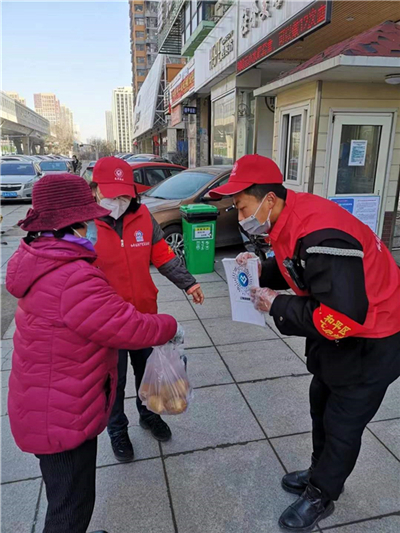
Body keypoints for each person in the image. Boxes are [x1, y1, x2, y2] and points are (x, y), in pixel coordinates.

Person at [210, 154, 400, 532]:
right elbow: (297, 270)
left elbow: (343, 317)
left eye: (241, 204)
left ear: (268, 199)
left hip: (373, 340)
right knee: (320, 405)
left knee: (342, 424)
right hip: (340, 339)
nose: (238, 213)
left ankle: (322, 494)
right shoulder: (287, 220)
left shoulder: (323, 235)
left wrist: (276, 303)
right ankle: (319, 471)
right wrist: (257, 270)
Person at [6, 174, 181, 533]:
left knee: (64, 494)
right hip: (61, 412)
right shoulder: (73, 276)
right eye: (84, 221)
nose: (89, 228)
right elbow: (129, 328)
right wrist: (169, 325)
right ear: (72, 225)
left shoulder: (38, 258)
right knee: (71, 504)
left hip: (46, 399)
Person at [91, 157, 204, 462]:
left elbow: (164, 255)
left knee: (147, 372)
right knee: (114, 381)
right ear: (97, 191)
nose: (119, 201)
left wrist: (188, 283)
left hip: (143, 315)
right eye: (112, 194)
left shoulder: (143, 217)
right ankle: (117, 429)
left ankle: (149, 415)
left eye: (124, 194)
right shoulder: (86, 225)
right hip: (107, 322)